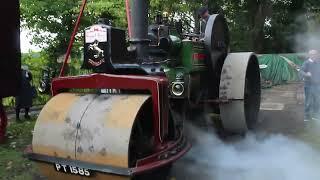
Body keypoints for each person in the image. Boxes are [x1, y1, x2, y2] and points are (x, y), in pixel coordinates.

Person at [300, 50, 320, 121]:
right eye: (313, 54)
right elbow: (301, 71)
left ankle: (315, 116)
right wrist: (306, 74)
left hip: (317, 85)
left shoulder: (317, 63)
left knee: (317, 101)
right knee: (308, 101)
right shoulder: (306, 63)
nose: (314, 55)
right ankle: (307, 116)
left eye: (315, 54)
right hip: (308, 85)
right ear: (310, 55)